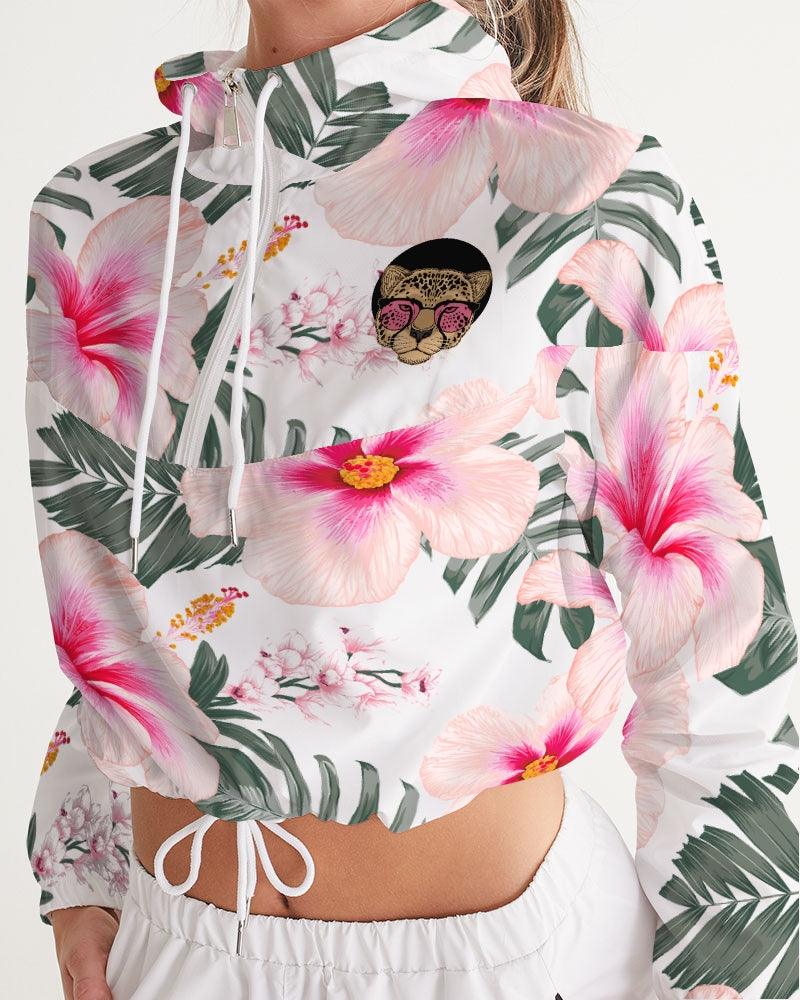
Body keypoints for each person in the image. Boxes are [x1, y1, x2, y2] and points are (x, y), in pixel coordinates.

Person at [24, 0, 798, 998]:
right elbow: (130, 600)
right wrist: (81, 866)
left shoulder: (593, 196)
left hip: (497, 962)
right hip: (171, 947)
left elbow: (719, 661)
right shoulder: (91, 210)